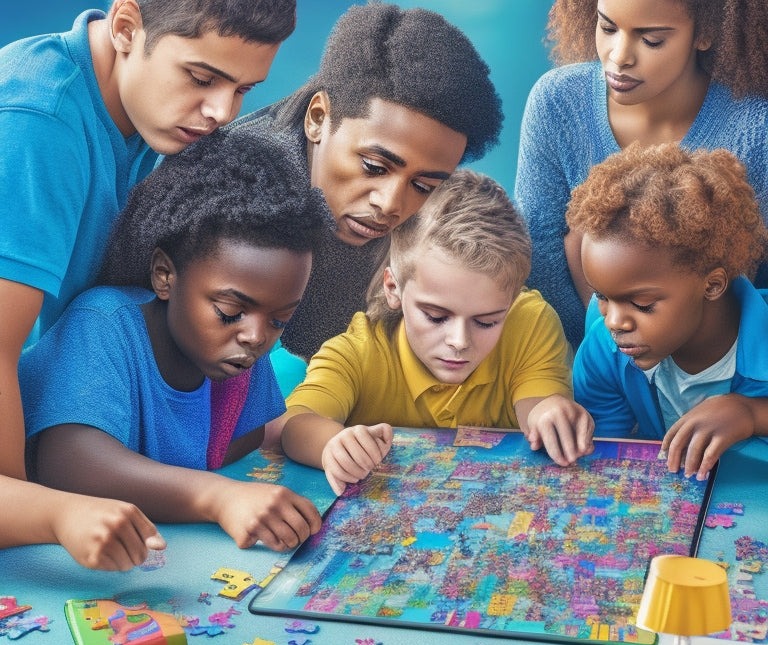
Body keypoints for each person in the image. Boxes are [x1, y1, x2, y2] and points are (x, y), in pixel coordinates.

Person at [0, 0, 295, 568]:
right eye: (203, 77)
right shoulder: (39, 123)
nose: (219, 113)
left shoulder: (143, 113)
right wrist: (31, 518)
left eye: (243, 90)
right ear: (127, 28)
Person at [101, 1, 504, 371]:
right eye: (374, 167)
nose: (390, 204)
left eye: (423, 185)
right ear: (317, 118)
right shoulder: (213, 198)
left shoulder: (440, 216)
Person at [19, 130, 330, 555]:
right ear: (165, 275)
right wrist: (217, 497)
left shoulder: (236, 353)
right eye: (230, 311)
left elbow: (245, 440)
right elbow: (69, 463)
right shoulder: (104, 323)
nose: (256, 337)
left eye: (280, 319)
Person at [279, 170, 595, 495]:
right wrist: (332, 444)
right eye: (435, 316)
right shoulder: (358, 351)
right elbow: (290, 424)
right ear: (394, 289)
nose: (459, 341)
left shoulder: (530, 321)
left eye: (486, 322)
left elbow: (537, 410)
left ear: (511, 300)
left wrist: (549, 412)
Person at [514, 0, 768, 350]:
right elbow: (539, 249)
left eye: (651, 41)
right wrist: (600, 357)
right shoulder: (557, 102)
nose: (619, 57)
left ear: (706, 32)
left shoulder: (756, 129)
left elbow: (751, 275)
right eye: (607, 28)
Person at [570, 142, 768, 482]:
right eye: (602, 296)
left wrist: (751, 413)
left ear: (712, 285)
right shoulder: (604, 350)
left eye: (642, 304)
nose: (615, 322)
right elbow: (604, 458)